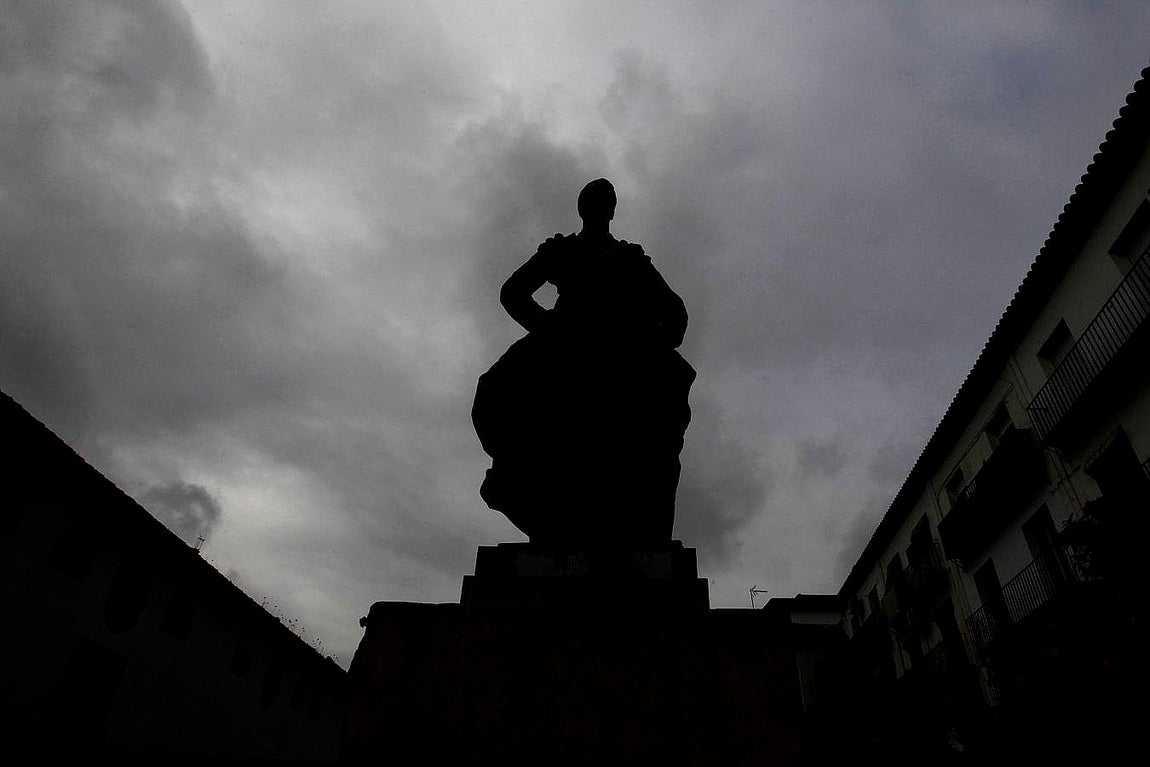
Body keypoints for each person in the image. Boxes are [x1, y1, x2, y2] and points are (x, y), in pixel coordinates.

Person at [472, 179, 694, 548]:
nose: (598, 208)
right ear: (586, 209)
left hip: (616, 358)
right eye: (594, 202)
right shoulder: (564, 250)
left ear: (610, 210)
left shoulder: (629, 258)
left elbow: (675, 313)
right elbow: (512, 292)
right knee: (496, 393)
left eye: (603, 202)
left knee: (638, 440)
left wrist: (646, 345)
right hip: (565, 350)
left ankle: (620, 520)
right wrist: (547, 328)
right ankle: (542, 505)